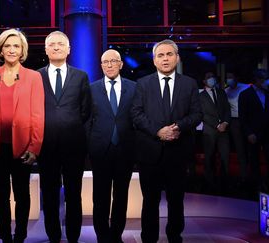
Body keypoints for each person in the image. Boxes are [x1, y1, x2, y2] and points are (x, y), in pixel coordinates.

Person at [130, 39, 202, 243]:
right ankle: (149, 238)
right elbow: (136, 114)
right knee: (150, 201)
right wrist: (158, 131)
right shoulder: (143, 84)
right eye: (160, 55)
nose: (165, 59)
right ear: (154, 60)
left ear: (177, 57)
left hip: (178, 153)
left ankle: (174, 236)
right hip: (150, 153)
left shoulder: (189, 83)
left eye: (169, 54)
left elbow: (197, 114)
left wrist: (178, 126)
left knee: (176, 201)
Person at [0, 28, 45, 243]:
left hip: (23, 147)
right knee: (1, 195)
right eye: (7, 46)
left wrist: (35, 148)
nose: (12, 50)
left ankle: (20, 236)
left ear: (22, 50)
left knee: (22, 195)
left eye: (16, 46)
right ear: (1, 49)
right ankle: (5, 237)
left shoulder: (33, 77)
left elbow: (38, 115)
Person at [37, 31, 92, 243]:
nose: (57, 47)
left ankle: (73, 237)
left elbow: (86, 111)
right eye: (52, 44)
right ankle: (53, 237)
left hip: (74, 147)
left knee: (73, 195)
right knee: (49, 197)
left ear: (69, 49)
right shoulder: (36, 76)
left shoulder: (81, 76)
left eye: (61, 44)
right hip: (46, 146)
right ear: (46, 49)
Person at [87, 49, 136, 243]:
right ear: (101, 66)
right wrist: (90, 145)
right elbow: (87, 120)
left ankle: (116, 235)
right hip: (100, 150)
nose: (109, 65)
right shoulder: (91, 89)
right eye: (105, 62)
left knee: (121, 196)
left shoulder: (134, 88)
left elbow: (137, 117)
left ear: (121, 64)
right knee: (100, 196)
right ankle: (102, 235)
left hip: (125, 149)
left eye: (113, 61)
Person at [238, 69, 269, 191]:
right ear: (257, 80)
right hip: (253, 133)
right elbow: (243, 116)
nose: (266, 81)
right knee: (254, 160)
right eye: (264, 79)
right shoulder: (245, 95)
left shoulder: (267, 93)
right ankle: (256, 186)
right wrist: (249, 133)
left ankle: (267, 184)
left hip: (267, 133)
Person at [199, 72, 231, 188]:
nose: (211, 79)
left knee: (225, 156)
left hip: (224, 130)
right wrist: (217, 125)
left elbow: (227, 109)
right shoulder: (201, 96)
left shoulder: (221, 93)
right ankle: (209, 182)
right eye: (208, 77)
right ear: (204, 81)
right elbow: (202, 114)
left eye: (212, 77)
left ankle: (224, 181)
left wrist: (225, 123)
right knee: (209, 156)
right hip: (210, 131)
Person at [224, 72, 249, 183]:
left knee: (249, 148)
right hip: (234, 121)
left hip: (247, 120)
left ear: (236, 78)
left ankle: (251, 175)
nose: (229, 79)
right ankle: (242, 176)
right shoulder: (226, 90)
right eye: (227, 77)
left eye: (231, 77)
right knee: (239, 149)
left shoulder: (246, 87)